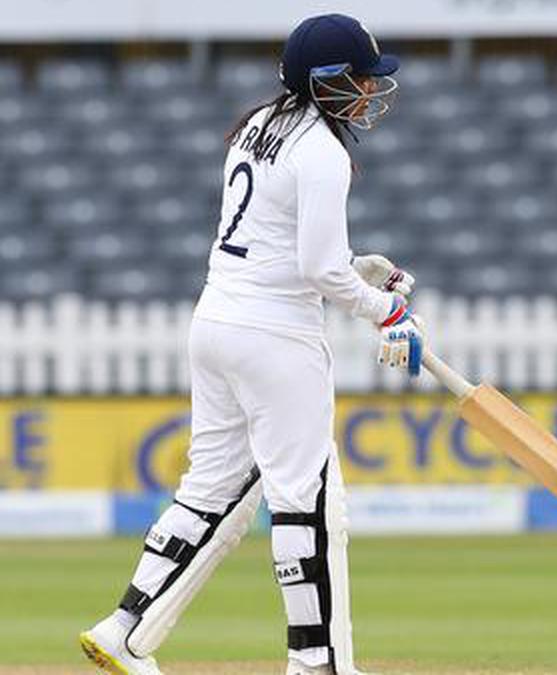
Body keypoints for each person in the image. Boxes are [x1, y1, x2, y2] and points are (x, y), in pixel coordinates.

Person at [79, 14, 423, 675]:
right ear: (323, 82)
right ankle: (315, 662)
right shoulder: (322, 150)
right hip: (277, 338)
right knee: (308, 500)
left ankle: (125, 625)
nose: (369, 91)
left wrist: (360, 269)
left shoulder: (258, 126)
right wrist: (388, 311)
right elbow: (317, 272)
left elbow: (289, 249)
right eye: (358, 78)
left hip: (216, 323)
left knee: (207, 491)